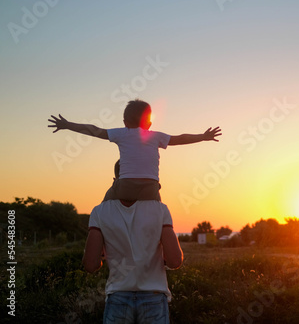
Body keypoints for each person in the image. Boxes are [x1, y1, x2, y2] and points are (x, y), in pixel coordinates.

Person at [48, 99, 221, 201]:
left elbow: (94, 129)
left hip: (126, 186)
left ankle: (100, 225)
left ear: (125, 122)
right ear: (149, 123)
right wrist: (203, 136)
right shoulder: (155, 136)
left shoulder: (121, 133)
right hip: (151, 187)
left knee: (107, 200)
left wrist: (67, 125)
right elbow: (181, 138)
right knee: (158, 210)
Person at [83, 161, 183, 324]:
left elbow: (90, 265)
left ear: (116, 179)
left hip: (118, 297)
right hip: (154, 298)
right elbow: (175, 261)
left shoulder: (99, 212)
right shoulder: (160, 209)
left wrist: (105, 259)